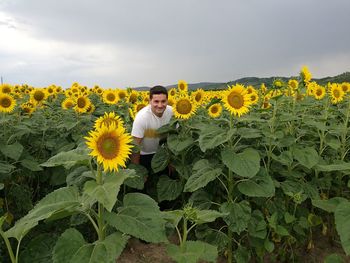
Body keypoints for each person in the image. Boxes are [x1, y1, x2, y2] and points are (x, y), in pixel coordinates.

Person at [130, 85, 173, 175]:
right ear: (150, 101)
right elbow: (135, 147)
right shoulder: (142, 118)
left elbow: (174, 138)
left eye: (163, 101)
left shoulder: (172, 112)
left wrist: (172, 161)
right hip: (144, 155)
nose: (160, 105)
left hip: (164, 154)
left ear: (167, 101)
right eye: (156, 101)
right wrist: (138, 172)